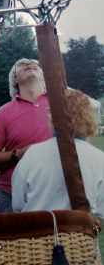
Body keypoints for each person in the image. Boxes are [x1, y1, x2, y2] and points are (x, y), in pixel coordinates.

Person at [12, 89, 104, 218]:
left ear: (54, 116)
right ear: (88, 117)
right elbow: (100, 212)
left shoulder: (33, 153)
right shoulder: (100, 158)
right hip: (80, 236)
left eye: (50, 111)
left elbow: (17, 203)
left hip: (35, 234)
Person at [0, 58, 52, 213]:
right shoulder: (4, 112)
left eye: (36, 64)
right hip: (10, 194)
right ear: (14, 80)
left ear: (43, 76)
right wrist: (17, 155)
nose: (29, 64)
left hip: (54, 191)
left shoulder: (61, 105)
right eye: (21, 64)